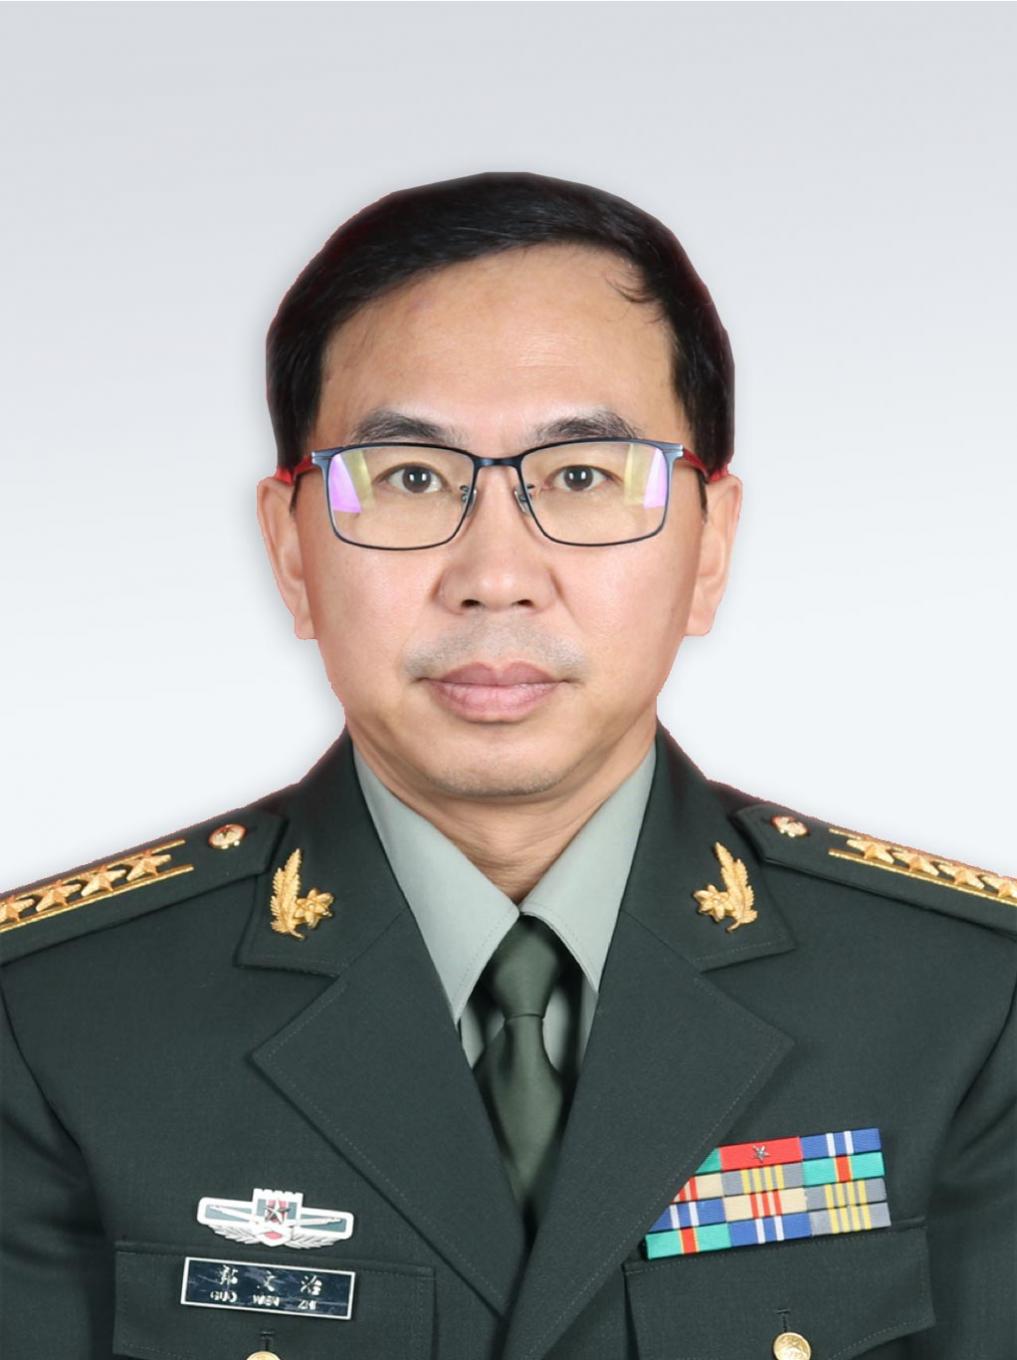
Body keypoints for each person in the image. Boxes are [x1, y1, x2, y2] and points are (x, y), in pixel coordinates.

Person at [1, 171, 1014, 1360]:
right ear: (291, 551)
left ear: (710, 546)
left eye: (581, 476)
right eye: (408, 477)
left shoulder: (963, 1004)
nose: (495, 576)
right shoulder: (53, 1019)